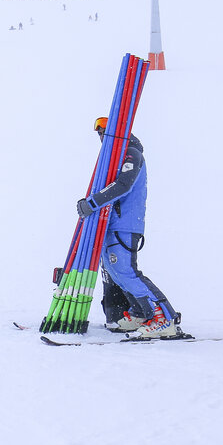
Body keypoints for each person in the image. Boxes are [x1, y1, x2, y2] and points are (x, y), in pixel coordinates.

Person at [77, 116, 181, 338]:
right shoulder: (115, 157)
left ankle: (164, 318)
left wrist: (93, 203)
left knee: (126, 271)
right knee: (117, 273)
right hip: (113, 225)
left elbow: (123, 185)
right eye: (100, 134)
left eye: (105, 131)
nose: (102, 137)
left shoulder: (131, 153)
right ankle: (143, 312)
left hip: (125, 225)